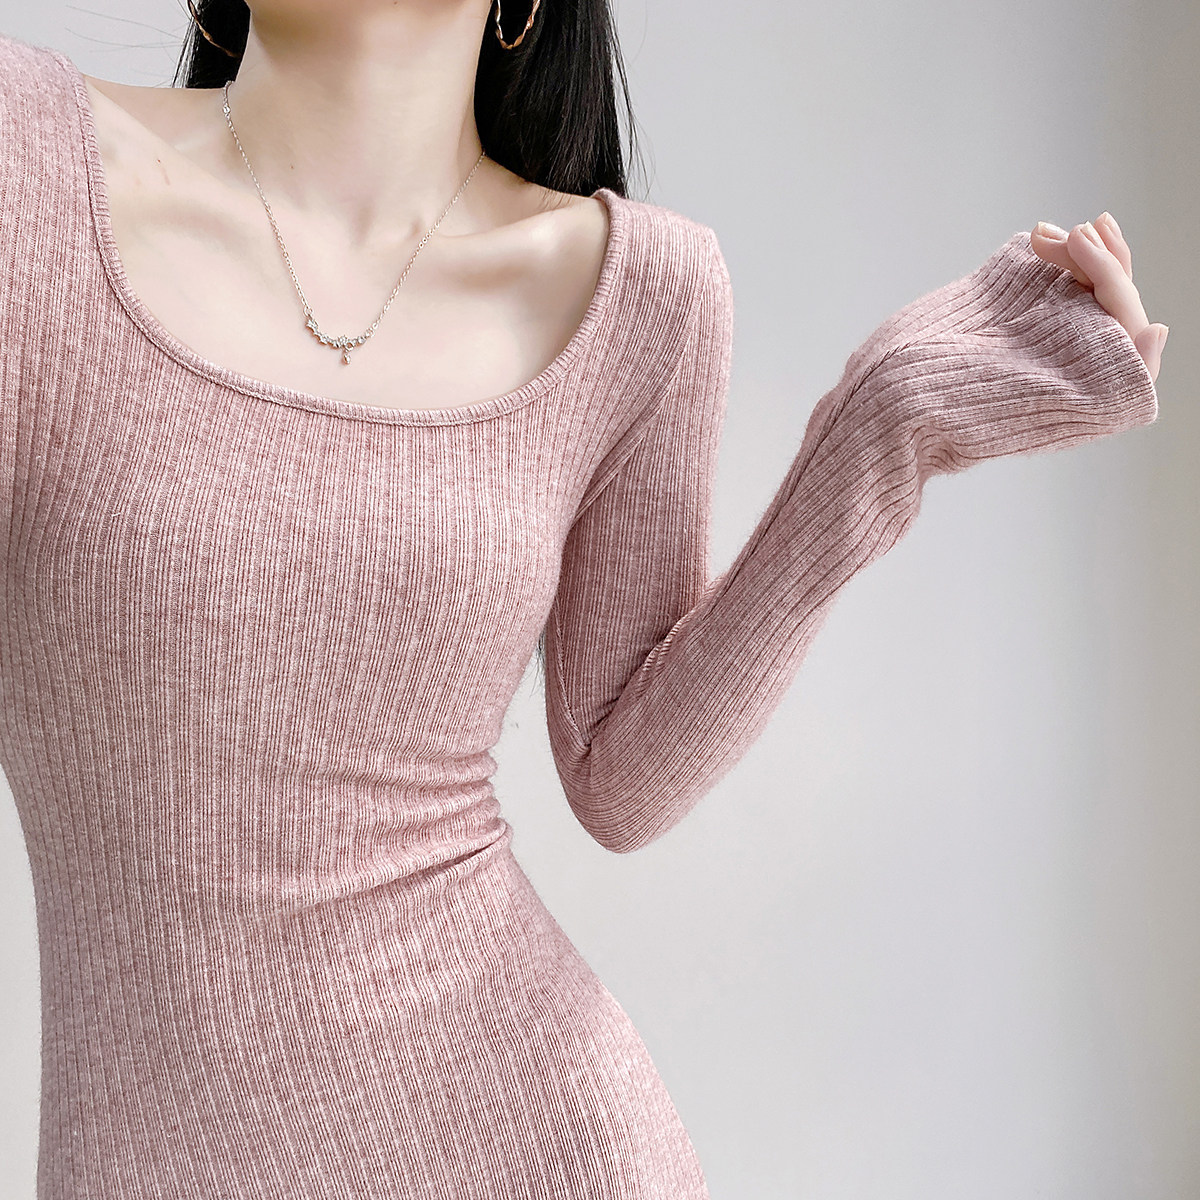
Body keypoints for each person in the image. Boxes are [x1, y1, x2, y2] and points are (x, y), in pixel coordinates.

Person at [0, 1, 1167, 1197]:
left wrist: (886, 428)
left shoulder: (640, 291)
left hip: (537, 1147)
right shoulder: (28, 160)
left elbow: (623, 777)